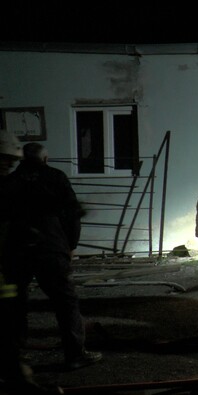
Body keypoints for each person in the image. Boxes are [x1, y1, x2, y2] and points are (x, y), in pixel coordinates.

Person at [2, 142, 102, 371]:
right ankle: (75, 354)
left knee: (15, 302)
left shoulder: (9, 182)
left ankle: (15, 356)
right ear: (45, 159)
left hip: (17, 250)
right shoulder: (55, 177)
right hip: (51, 247)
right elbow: (73, 213)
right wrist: (71, 245)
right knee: (65, 301)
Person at [0, 131, 63, 394]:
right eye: (3, 162)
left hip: (6, 271)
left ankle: (17, 378)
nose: (7, 168)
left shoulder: (9, 184)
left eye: (10, 163)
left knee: (9, 319)